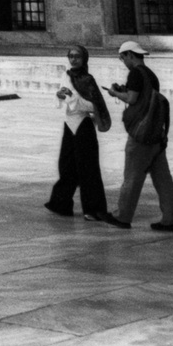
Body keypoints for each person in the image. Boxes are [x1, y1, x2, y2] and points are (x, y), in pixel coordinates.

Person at [103, 40, 173, 232]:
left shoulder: (136, 73)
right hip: (155, 134)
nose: (124, 62)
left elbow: (132, 99)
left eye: (123, 58)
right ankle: (171, 219)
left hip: (141, 134)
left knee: (132, 175)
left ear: (130, 55)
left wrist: (114, 93)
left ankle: (123, 216)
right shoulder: (151, 75)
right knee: (163, 178)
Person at [42, 45, 113, 220]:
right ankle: (61, 204)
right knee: (66, 166)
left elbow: (93, 105)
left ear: (84, 59)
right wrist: (60, 96)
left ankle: (93, 209)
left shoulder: (87, 79)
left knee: (88, 169)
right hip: (69, 124)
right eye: (71, 56)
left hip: (83, 125)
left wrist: (72, 98)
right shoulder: (66, 76)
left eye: (77, 56)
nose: (73, 59)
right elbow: (63, 97)